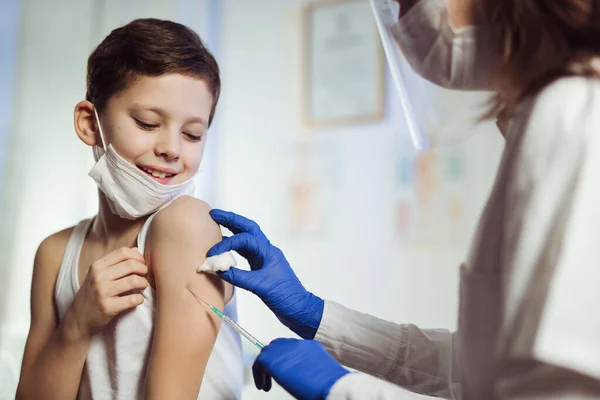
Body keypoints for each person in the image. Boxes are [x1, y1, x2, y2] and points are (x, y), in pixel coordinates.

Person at [200, 0, 600, 398]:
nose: (410, 17)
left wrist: (341, 389)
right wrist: (316, 315)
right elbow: (476, 367)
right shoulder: (555, 114)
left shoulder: (575, 114)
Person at [16, 18, 243, 399]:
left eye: (192, 134)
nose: (172, 148)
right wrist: (77, 324)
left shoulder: (186, 226)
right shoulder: (55, 255)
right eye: (148, 122)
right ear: (90, 123)